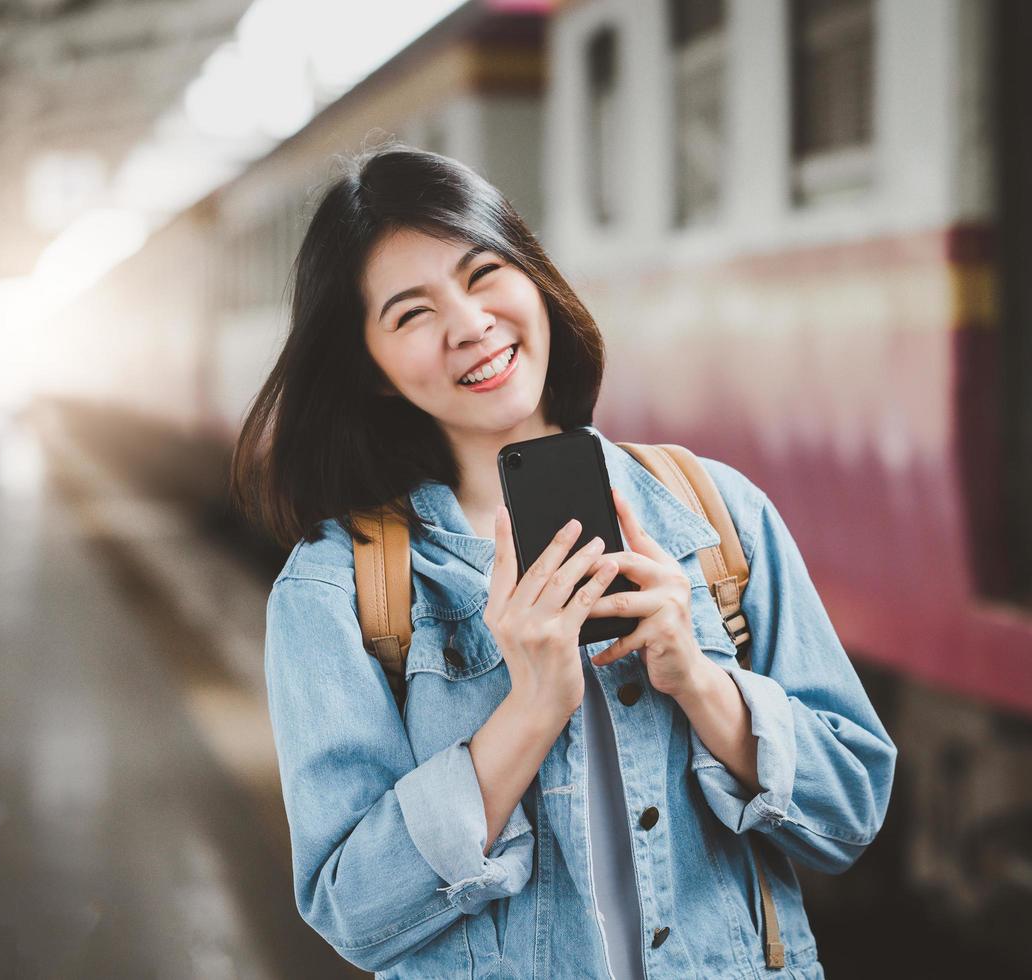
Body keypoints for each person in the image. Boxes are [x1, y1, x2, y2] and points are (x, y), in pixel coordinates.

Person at [230, 145, 896, 978]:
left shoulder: (716, 514)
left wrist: (697, 678)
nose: (468, 324)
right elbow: (351, 910)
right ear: (373, 373)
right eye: (410, 314)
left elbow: (852, 810)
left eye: (482, 274)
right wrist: (532, 707)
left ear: (533, 278)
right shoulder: (336, 592)